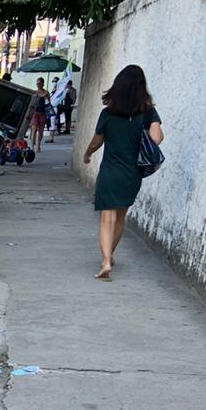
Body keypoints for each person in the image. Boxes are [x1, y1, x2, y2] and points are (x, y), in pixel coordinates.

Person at [83, 64, 163, 280]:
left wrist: (87, 153)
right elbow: (157, 138)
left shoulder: (107, 114)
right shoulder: (146, 113)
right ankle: (110, 256)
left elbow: (97, 141)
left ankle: (106, 260)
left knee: (106, 218)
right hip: (132, 173)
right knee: (120, 218)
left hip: (110, 171)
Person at [28, 78, 49, 153]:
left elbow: (48, 103)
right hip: (35, 113)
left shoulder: (46, 92)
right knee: (33, 130)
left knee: (41, 131)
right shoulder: (34, 92)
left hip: (42, 113)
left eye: (39, 83)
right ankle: (32, 147)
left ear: (43, 84)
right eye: (37, 84)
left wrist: (46, 98)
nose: (38, 85)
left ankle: (38, 145)